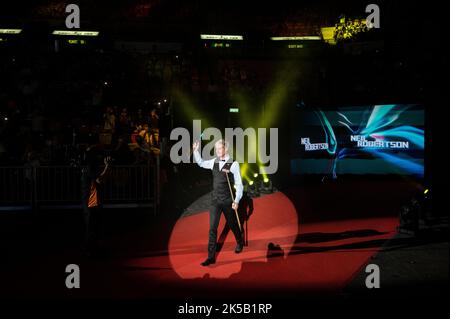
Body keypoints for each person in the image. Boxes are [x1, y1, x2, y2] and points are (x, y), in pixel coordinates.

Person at [192, 139, 244, 266]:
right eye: (216, 149)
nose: (217, 151)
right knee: (212, 229)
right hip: (215, 200)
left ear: (225, 149)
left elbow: (239, 184)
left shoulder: (233, 164)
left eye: (220, 149)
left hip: (227, 200)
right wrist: (196, 151)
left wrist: (236, 201)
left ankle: (239, 241)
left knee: (232, 224)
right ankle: (211, 257)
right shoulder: (213, 162)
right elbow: (200, 163)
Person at [81, 146, 112, 256]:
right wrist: (107, 166)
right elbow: (99, 179)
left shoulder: (91, 167)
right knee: (91, 227)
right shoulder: (90, 167)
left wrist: (106, 167)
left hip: (94, 201)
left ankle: (95, 249)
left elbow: (102, 179)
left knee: (96, 226)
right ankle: (89, 250)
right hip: (90, 202)